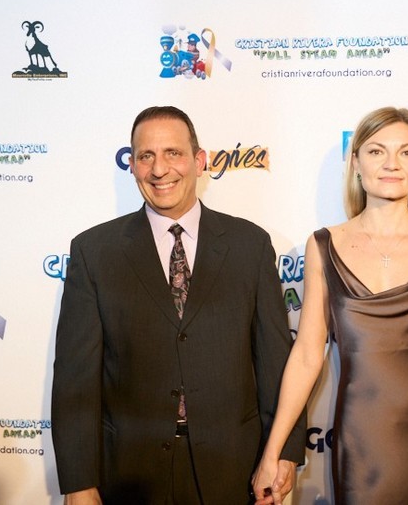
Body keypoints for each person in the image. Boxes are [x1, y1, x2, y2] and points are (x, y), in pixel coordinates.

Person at [51, 106, 306, 505]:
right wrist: (79, 483)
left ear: (199, 161)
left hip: (235, 469)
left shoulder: (249, 245)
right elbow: (75, 381)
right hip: (129, 475)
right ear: (131, 166)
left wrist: (286, 452)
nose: (159, 169)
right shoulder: (94, 251)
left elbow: (275, 362)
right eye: (146, 156)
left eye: (173, 153)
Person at [252, 107, 408, 505]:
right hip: (362, 443)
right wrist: (273, 452)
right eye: (376, 151)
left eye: (407, 152)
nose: (392, 164)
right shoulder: (322, 246)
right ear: (355, 162)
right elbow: (307, 356)